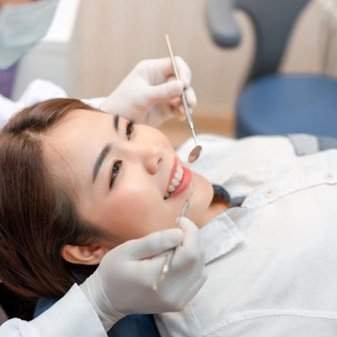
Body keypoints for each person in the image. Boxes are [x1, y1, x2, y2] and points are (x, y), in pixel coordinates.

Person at [2, 97, 337, 336]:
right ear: (88, 248)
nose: (155, 152)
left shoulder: (205, 157)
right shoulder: (229, 319)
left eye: (129, 130)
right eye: (115, 170)